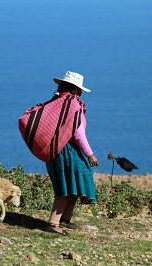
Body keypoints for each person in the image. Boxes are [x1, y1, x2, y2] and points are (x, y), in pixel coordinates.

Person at [45, 71, 98, 236]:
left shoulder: (56, 102)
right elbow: (78, 133)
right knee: (67, 185)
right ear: (76, 89)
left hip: (55, 150)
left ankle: (65, 218)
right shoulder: (72, 106)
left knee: (72, 181)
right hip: (67, 151)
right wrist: (90, 154)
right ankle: (54, 223)